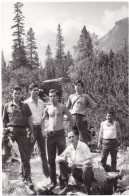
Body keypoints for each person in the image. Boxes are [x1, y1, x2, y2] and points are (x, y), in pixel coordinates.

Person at [2, 86, 34, 188]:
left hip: (23, 132)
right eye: (15, 93)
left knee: (25, 157)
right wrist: (5, 132)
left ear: (21, 94)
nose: (16, 95)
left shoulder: (25, 105)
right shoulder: (7, 106)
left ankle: (27, 179)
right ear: (12, 94)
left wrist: (32, 132)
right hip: (11, 132)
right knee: (5, 154)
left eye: (18, 93)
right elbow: (4, 120)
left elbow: (29, 119)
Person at [42, 89, 73, 190]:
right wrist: (43, 131)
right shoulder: (47, 108)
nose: (52, 98)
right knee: (51, 160)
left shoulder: (62, 107)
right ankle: (53, 181)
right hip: (50, 136)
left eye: (54, 96)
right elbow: (42, 120)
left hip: (60, 135)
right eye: (50, 96)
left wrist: (70, 131)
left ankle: (64, 181)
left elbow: (70, 118)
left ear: (58, 96)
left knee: (62, 159)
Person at [56, 129, 94, 195]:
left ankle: (88, 189)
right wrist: (64, 158)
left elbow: (90, 161)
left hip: (87, 172)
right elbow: (57, 158)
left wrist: (77, 164)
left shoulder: (83, 146)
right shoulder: (69, 147)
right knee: (61, 162)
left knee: (85, 167)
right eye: (69, 137)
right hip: (76, 172)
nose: (71, 139)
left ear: (77, 136)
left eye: (72, 136)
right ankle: (67, 186)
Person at [24, 83, 49, 177]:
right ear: (30, 91)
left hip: (40, 128)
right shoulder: (26, 103)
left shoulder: (41, 102)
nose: (36, 92)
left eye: (37, 90)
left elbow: (43, 118)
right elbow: (25, 119)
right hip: (31, 128)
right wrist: (29, 131)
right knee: (28, 152)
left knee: (43, 152)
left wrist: (43, 130)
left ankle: (46, 173)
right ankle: (25, 175)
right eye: (34, 90)